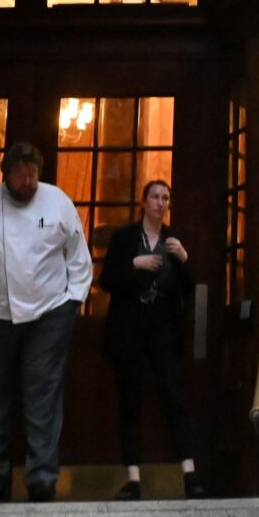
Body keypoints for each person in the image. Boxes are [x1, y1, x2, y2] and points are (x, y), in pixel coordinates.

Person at [0, 141, 93, 502]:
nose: (28, 182)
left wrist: (73, 301)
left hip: (49, 314)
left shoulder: (58, 202)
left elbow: (78, 255)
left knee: (42, 394)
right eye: (21, 176)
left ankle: (42, 477)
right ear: (7, 175)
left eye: (33, 175)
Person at [101, 179, 206, 500]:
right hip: (130, 326)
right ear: (144, 202)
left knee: (174, 397)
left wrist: (185, 259)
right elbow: (105, 279)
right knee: (129, 400)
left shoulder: (174, 240)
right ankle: (132, 477)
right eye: (155, 197)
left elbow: (189, 289)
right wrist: (135, 263)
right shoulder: (125, 238)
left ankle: (189, 474)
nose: (161, 203)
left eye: (166, 198)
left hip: (163, 326)